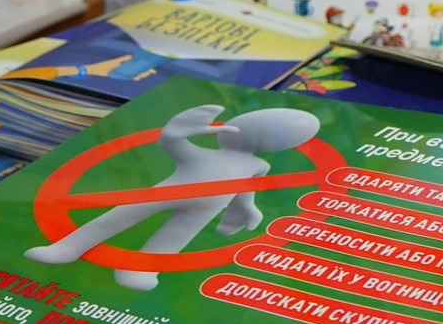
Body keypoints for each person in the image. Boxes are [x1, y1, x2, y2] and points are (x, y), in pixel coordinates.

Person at [23, 103, 322, 291]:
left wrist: (247, 209)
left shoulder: (258, 165)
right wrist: (177, 132)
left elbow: (244, 190)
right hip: (167, 192)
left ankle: (139, 269)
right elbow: (173, 144)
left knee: (171, 241)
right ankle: (67, 248)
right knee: (116, 218)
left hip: (205, 209)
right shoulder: (203, 154)